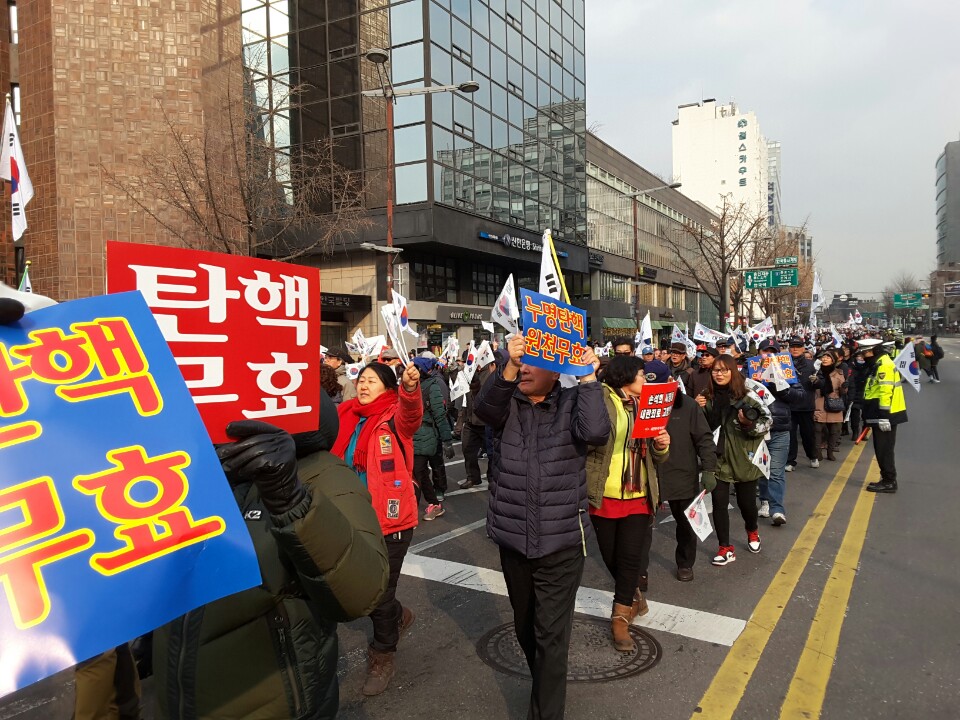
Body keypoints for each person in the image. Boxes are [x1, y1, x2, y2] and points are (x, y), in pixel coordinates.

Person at [474, 335, 609, 720]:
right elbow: (483, 411)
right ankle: (546, 685)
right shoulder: (507, 403)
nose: (527, 367)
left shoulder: (573, 401)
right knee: (525, 627)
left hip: (562, 543)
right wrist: (509, 368)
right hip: (514, 541)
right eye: (523, 361)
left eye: (535, 361)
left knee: (551, 636)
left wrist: (588, 379)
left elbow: (597, 432)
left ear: (557, 369)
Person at [331, 361, 423, 696]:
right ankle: (399, 615)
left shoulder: (394, 418)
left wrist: (410, 390)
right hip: (351, 518)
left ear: (387, 387)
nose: (364, 385)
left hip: (391, 521)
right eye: (361, 380)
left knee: (379, 593)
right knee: (360, 590)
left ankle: (382, 654)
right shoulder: (344, 415)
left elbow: (411, 414)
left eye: (372, 381)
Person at [585, 355, 670, 651]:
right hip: (605, 491)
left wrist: (662, 445)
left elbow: (657, 456)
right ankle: (632, 596)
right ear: (624, 376)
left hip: (639, 493)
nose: (646, 380)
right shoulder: (602, 397)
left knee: (631, 557)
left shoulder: (649, 405)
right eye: (642, 375)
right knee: (611, 556)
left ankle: (620, 617)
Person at [702, 354, 772, 566]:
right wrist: (698, 408)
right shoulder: (707, 396)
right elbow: (700, 426)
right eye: (715, 370)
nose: (719, 374)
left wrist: (747, 424)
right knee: (719, 504)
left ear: (733, 371)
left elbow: (767, 421)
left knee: (747, 504)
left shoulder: (748, 395)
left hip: (745, 459)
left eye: (724, 370)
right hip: (718, 458)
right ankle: (725, 548)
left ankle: (752, 531)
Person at [658, 360, 717, 581]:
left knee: (685, 523)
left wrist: (709, 469)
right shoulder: (638, 406)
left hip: (682, 473)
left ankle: (685, 563)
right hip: (649, 474)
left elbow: (704, 438)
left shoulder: (688, 405)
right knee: (640, 529)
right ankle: (638, 571)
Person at [755, 339, 803, 526]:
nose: (769, 355)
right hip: (757, 430)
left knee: (775, 472)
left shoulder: (787, 372)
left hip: (780, 429)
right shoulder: (749, 371)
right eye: (765, 351)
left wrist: (780, 387)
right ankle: (764, 501)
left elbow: (799, 397)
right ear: (759, 353)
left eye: (772, 352)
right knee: (761, 470)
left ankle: (777, 509)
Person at [859, 338, 907, 493]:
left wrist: (884, 416)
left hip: (886, 414)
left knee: (884, 449)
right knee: (882, 448)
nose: (864, 356)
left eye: (866, 352)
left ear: (874, 351)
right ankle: (887, 478)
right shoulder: (880, 363)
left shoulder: (884, 365)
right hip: (881, 413)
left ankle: (889, 481)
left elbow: (885, 392)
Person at [411, 354, 454, 520]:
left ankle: (413, 511)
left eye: (413, 367)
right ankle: (434, 504)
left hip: (426, 436)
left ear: (421, 370)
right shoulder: (409, 385)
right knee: (418, 472)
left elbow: (440, 415)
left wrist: (447, 441)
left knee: (416, 472)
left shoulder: (432, 386)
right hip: (411, 435)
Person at [458, 354, 496, 489]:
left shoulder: (490, 373)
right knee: (467, 449)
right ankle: (472, 477)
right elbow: (463, 398)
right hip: (470, 420)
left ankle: (492, 478)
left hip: (486, 421)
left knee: (492, 452)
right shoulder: (466, 374)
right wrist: (460, 422)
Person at [785, 337, 818, 471]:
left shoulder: (812, 365)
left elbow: (822, 383)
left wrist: (816, 381)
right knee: (790, 436)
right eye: (793, 346)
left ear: (803, 349)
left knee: (808, 434)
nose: (795, 349)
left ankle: (812, 456)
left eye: (798, 346)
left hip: (806, 406)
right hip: (789, 405)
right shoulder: (783, 364)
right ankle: (790, 461)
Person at [813, 350, 845, 462]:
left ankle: (830, 452)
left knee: (834, 430)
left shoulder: (839, 373)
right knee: (817, 429)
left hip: (834, 404)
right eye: (823, 357)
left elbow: (843, 390)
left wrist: (844, 388)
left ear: (833, 360)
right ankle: (817, 452)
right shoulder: (816, 372)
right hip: (819, 402)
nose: (825, 359)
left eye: (828, 357)